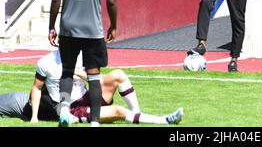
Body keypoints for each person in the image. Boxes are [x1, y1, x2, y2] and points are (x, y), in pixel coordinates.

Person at [49, 0, 118, 127]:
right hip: (92, 30)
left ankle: (63, 110)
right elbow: (112, 0)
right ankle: (95, 122)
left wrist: (52, 26)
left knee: (67, 71)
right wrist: (113, 25)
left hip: (69, 28)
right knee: (93, 74)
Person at [0, 50, 183, 125]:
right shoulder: (46, 62)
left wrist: (78, 72)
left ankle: (137, 112)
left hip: (87, 94)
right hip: (72, 108)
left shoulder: (81, 55)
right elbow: (37, 88)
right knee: (118, 110)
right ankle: (164, 120)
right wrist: (33, 118)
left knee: (118, 74)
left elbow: (96, 78)